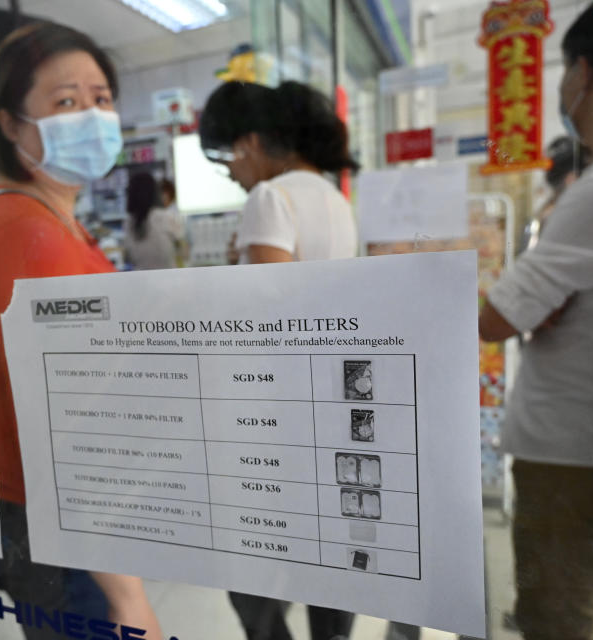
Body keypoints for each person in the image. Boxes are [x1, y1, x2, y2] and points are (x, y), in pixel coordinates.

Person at [0, 22, 162, 640]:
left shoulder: (10, 214)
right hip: (58, 524)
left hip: (20, 511)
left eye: (101, 98)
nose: (91, 115)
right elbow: (70, 418)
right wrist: (128, 593)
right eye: (65, 102)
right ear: (9, 123)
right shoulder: (24, 231)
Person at [478, 5, 593, 639]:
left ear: (582, 74)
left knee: (557, 619)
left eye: (563, 69)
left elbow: (497, 316)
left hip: (574, 451)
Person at [199, 80, 358, 639]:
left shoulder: (271, 198)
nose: (231, 173)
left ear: (248, 144)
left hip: (278, 415)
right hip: (331, 406)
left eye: (227, 159)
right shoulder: (333, 195)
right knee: (328, 566)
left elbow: (269, 319)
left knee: (251, 574)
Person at [123, 172, 186, 270]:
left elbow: (129, 257)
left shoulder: (128, 222)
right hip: (169, 277)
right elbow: (183, 251)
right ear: (155, 192)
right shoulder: (167, 217)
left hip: (141, 280)